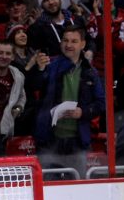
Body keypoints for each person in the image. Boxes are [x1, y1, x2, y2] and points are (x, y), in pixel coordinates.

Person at [35, 25, 105, 178]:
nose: (68, 45)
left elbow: (101, 103)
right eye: (65, 40)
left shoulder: (90, 72)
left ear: (83, 44)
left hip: (77, 141)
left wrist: (83, 112)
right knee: (46, 188)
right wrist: (40, 70)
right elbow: (36, 87)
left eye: (74, 41)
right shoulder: (50, 65)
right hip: (50, 140)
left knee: (78, 187)